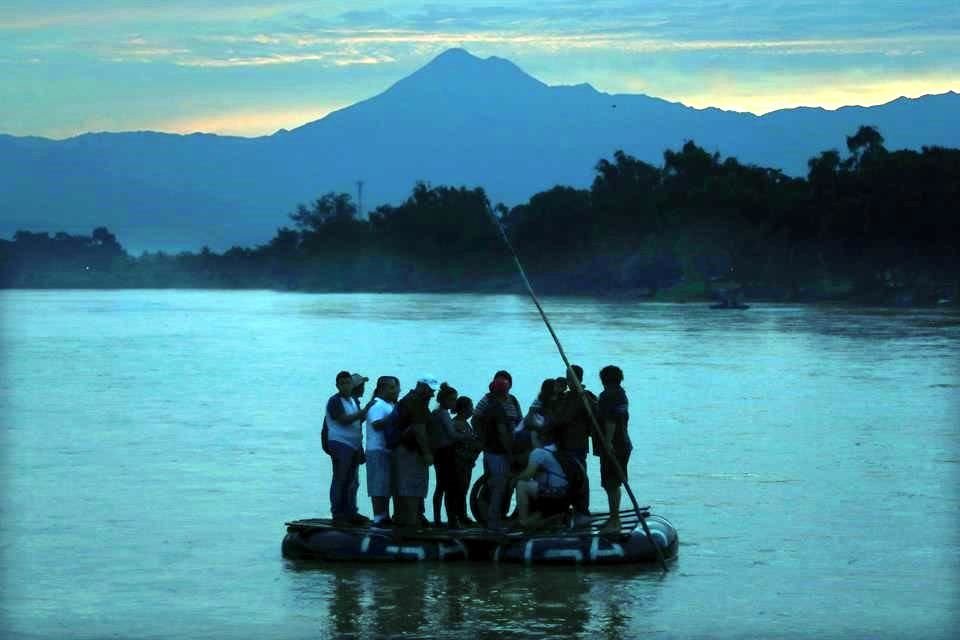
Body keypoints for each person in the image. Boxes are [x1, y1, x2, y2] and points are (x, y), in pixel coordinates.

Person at [473, 370, 522, 531]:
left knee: (507, 485)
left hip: (509, 448)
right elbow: (476, 419)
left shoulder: (512, 400)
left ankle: (500, 515)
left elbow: (519, 421)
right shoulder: (489, 402)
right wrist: (482, 438)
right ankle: (492, 520)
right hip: (495, 451)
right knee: (498, 485)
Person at [325, 370, 375, 525]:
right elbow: (344, 420)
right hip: (340, 444)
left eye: (348, 383)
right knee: (340, 479)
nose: (346, 386)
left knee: (352, 481)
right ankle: (338, 514)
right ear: (337, 385)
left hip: (353, 445)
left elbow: (357, 423)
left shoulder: (353, 400)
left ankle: (351, 512)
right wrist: (365, 411)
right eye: (343, 383)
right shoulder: (335, 401)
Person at [392, 376, 438, 527]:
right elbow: (419, 430)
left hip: (407, 450)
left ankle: (407, 519)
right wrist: (427, 453)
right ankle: (412, 522)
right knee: (412, 487)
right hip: (410, 451)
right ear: (422, 387)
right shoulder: (415, 402)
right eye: (430, 391)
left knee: (408, 485)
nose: (432, 394)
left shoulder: (412, 400)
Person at [596, 365, 633, 534]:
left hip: (614, 445)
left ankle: (615, 520)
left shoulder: (608, 396)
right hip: (624, 443)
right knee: (612, 483)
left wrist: (608, 442)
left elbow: (611, 421)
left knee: (611, 483)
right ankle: (613, 517)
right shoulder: (621, 394)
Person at [556, 364, 597, 513]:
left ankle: (582, 509)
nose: (568, 381)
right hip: (564, 445)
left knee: (579, 478)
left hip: (577, 445)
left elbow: (564, 418)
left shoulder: (584, 396)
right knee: (565, 478)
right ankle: (567, 508)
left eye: (570, 378)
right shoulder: (567, 396)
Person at [513, 422, 570, 528]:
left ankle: (524, 520)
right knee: (534, 484)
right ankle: (554, 518)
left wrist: (513, 479)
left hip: (555, 496)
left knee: (521, 484)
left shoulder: (537, 453)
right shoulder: (553, 449)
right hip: (565, 495)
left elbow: (527, 476)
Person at [365, 375, 400, 527]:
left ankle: (385, 515)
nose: (395, 391)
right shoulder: (377, 405)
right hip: (376, 449)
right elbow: (376, 424)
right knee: (378, 484)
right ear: (382, 389)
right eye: (392, 388)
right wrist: (395, 417)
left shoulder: (389, 404)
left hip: (386, 450)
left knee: (386, 484)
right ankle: (379, 516)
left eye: (396, 388)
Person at [428, 382, 464, 527]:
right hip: (445, 453)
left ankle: (439, 518)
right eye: (452, 399)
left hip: (440, 452)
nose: (454, 402)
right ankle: (450, 518)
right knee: (448, 487)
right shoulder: (443, 414)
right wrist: (466, 436)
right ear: (444, 400)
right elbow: (452, 434)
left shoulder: (437, 413)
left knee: (441, 486)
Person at [451, 396, 481, 526]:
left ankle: (461, 515)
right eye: (471, 407)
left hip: (467, 463)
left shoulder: (465, 423)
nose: (472, 410)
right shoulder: (456, 424)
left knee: (463, 489)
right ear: (464, 409)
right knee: (458, 490)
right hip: (459, 463)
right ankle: (457, 516)